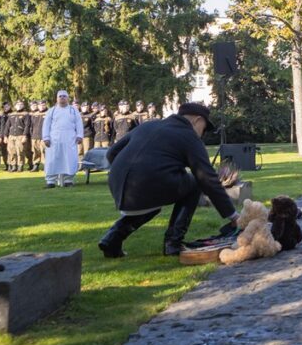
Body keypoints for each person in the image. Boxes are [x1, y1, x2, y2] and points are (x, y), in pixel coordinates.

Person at [98, 102, 238, 258]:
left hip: (117, 183)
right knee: (195, 183)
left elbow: (111, 153)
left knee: (150, 202)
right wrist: (233, 216)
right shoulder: (189, 136)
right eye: (204, 129)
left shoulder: (149, 125)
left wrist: (129, 173)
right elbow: (207, 178)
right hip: (145, 184)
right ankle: (173, 242)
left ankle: (111, 239)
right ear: (197, 120)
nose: (202, 134)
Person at [42, 90, 83, 188]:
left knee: (69, 159)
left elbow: (79, 123)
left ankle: (68, 180)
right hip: (54, 140)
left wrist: (79, 135)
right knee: (52, 160)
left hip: (70, 139)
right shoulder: (51, 111)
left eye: (64, 96)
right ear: (57, 98)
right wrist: (46, 138)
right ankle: (51, 181)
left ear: (68, 98)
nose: (62, 98)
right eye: (60, 96)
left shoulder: (73, 110)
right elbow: (46, 125)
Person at [4, 100, 32, 172]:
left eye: (21, 104)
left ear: (23, 105)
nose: (19, 106)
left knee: (20, 151)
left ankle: (20, 165)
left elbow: (27, 126)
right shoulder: (11, 114)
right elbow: (7, 126)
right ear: (15, 106)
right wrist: (5, 136)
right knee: (11, 151)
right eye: (17, 104)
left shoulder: (26, 114)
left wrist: (25, 135)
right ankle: (13, 165)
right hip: (11, 135)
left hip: (20, 135)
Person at [30, 100, 47, 171]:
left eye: (43, 105)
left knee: (44, 151)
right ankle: (36, 165)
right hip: (35, 136)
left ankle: (46, 165)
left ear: (45, 105)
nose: (41, 107)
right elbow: (31, 126)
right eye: (40, 105)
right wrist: (31, 134)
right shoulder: (35, 114)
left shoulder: (48, 113)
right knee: (35, 151)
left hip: (44, 136)